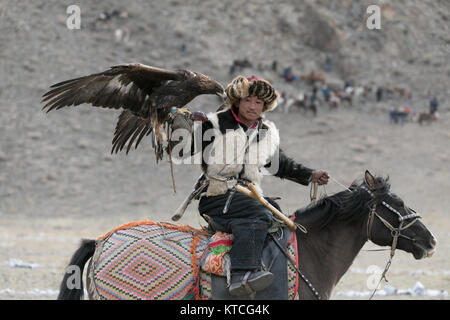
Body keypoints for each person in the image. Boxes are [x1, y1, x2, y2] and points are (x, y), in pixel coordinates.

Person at [188, 75, 329, 296]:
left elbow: (280, 164)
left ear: (265, 106)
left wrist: (311, 175)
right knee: (259, 214)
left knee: (277, 216)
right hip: (218, 194)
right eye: (248, 100)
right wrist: (185, 126)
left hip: (247, 194)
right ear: (238, 100)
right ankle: (241, 274)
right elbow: (187, 147)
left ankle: (270, 278)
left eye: (258, 102)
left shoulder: (265, 131)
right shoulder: (213, 123)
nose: (253, 106)